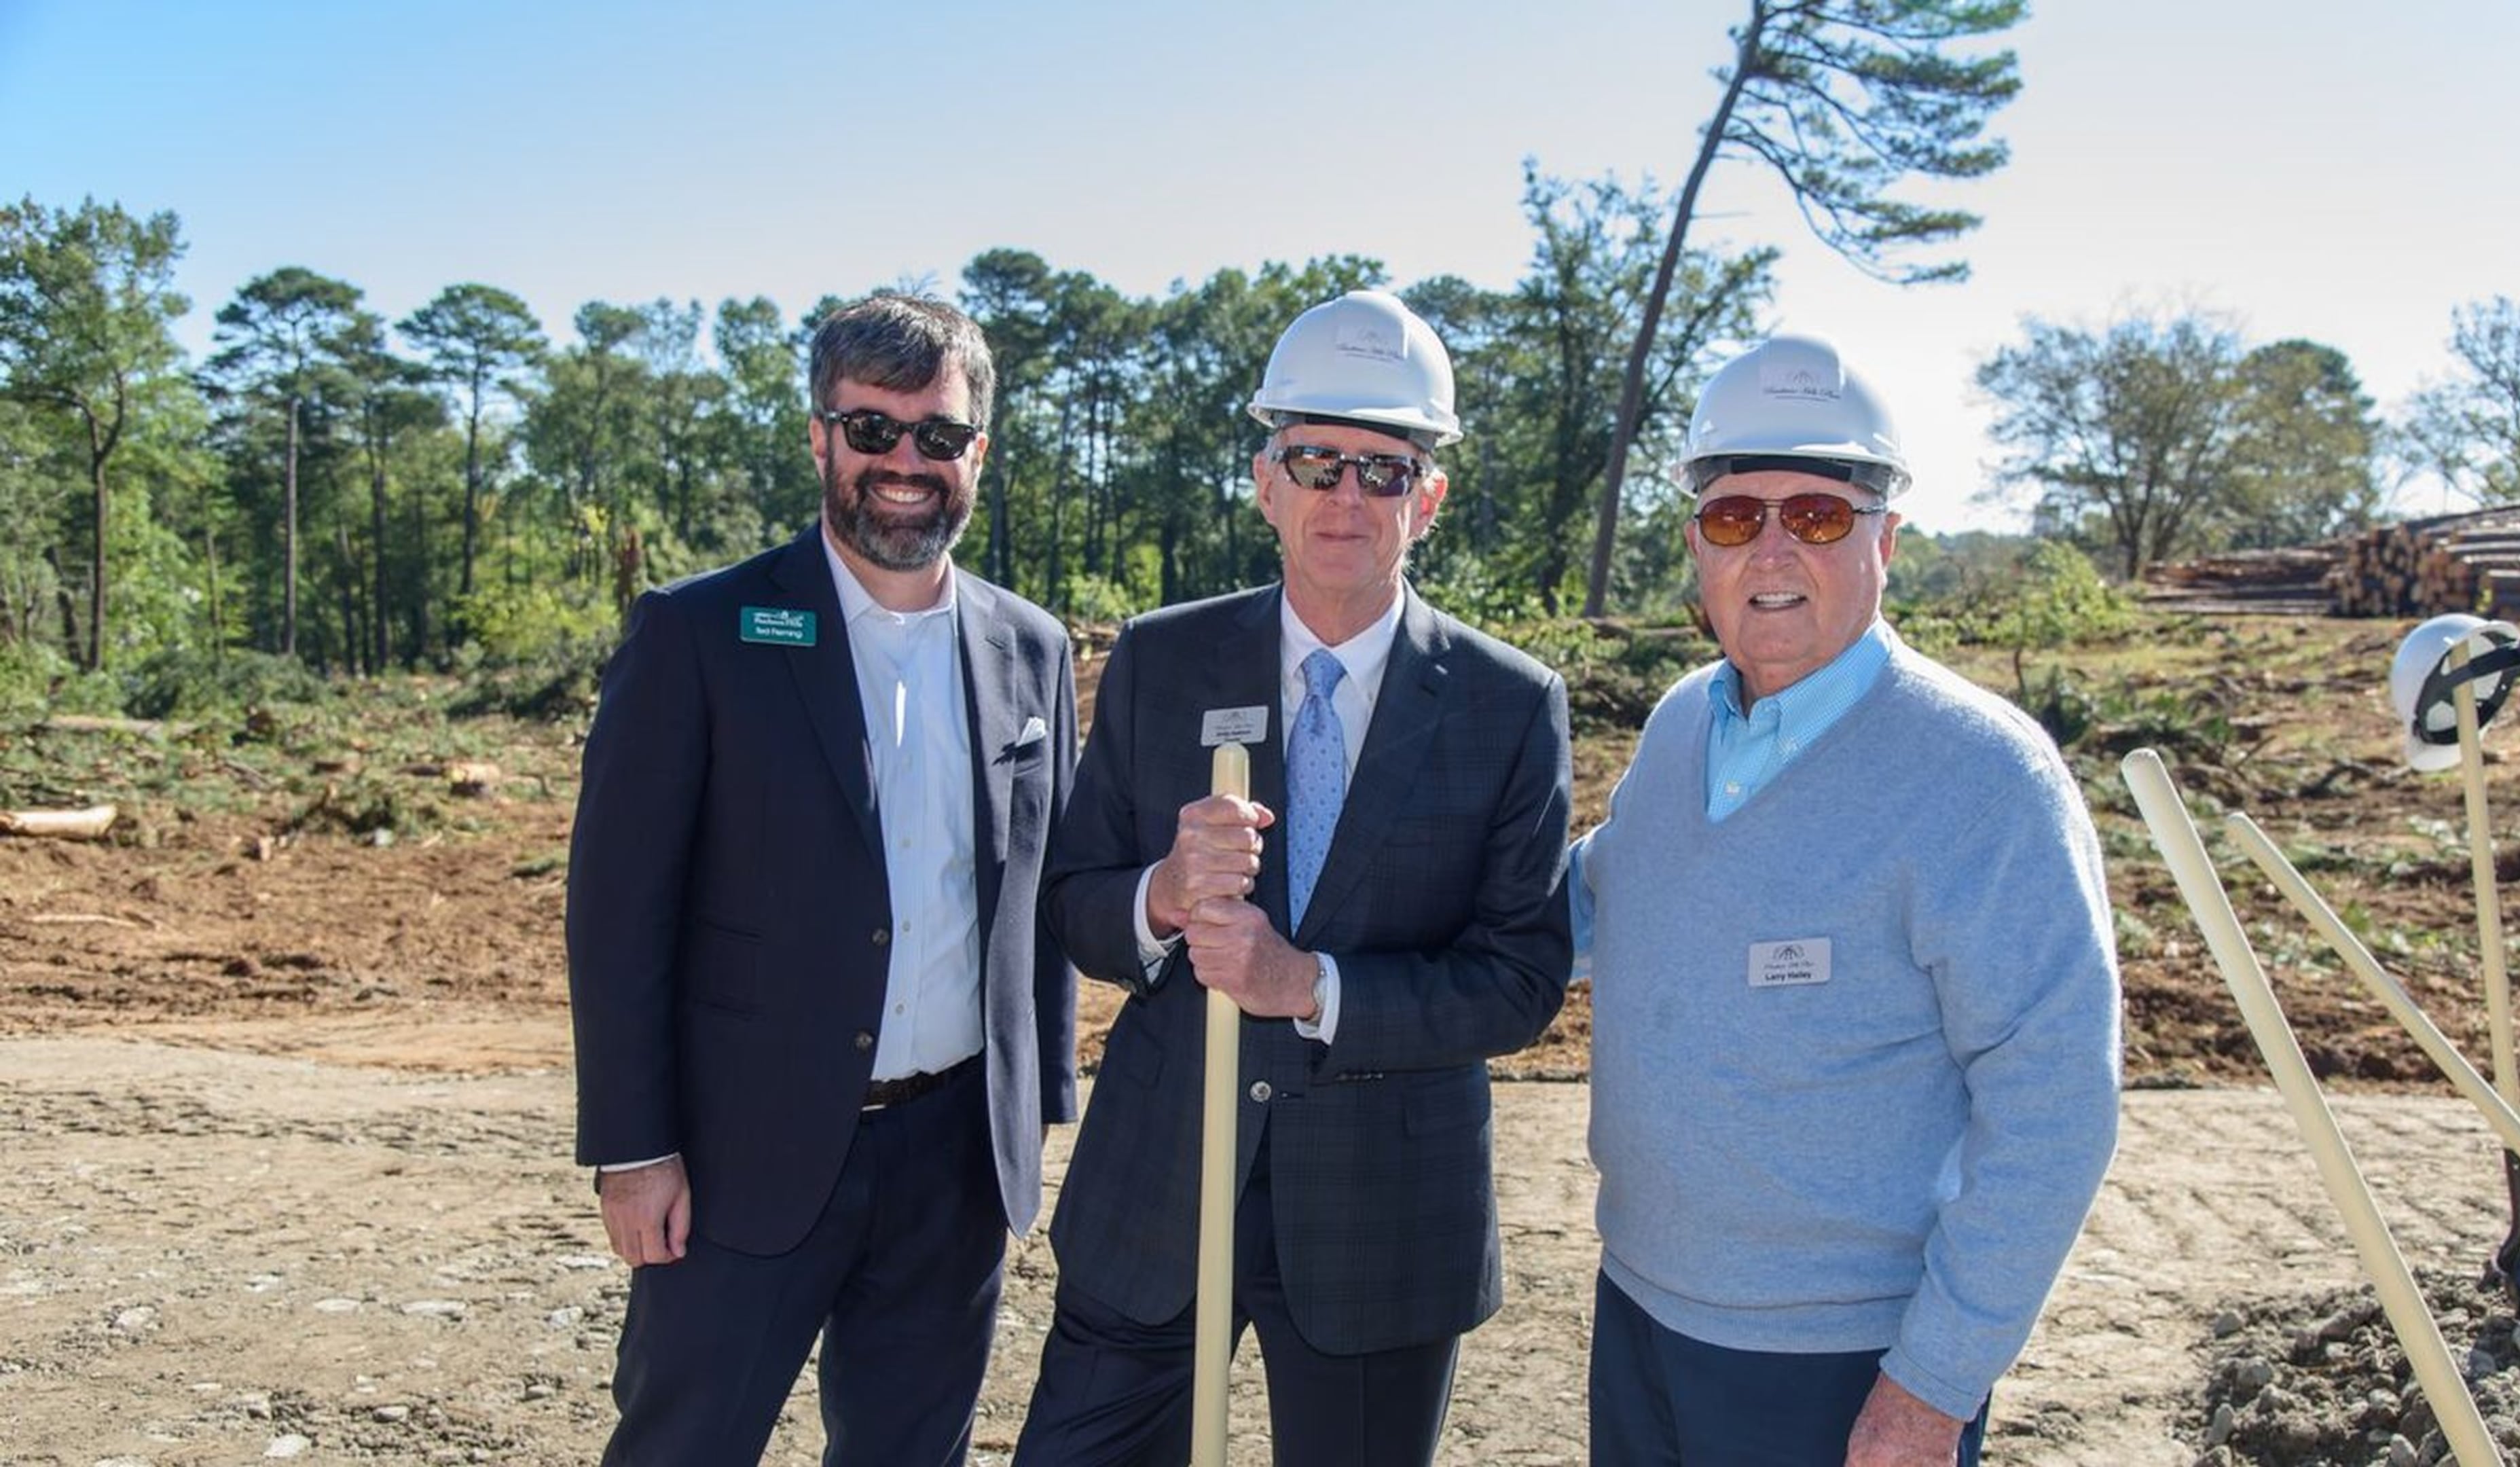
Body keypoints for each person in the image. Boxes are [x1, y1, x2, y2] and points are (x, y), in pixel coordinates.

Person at [1012, 289, 1573, 1467]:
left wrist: (1308, 985)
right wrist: (1161, 896)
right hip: (1156, 1197)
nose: (1346, 497)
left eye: (1385, 467)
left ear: (1431, 497)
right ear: (1267, 480)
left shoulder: (1508, 705)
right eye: (1317, 460)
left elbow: (1519, 980)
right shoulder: (1163, 659)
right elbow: (1071, 900)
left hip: (1384, 1226)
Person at [1571, 335, 2121, 1467]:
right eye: (1734, 517)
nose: (1771, 548)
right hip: (1639, 1309)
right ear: (1696, 544)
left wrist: (1933, 1386)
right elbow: (1587, 906)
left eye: (1817, 513)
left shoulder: (1983, 777)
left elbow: (2055, 1101)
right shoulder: (1684, 726)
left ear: (1886, 538)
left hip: (1844, 1366)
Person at [564, 294, 1078, 1466]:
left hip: (952, 1162)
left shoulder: (1030, 650)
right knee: (681, 1446)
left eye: (938, 437)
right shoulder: (699, 634)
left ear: (977, 455)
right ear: (819, 438)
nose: (905, 463)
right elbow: (616, 913)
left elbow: (1036, 895)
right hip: (739, 1155)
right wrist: (634, 1147)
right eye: (872, 429)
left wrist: (1031, 1112)